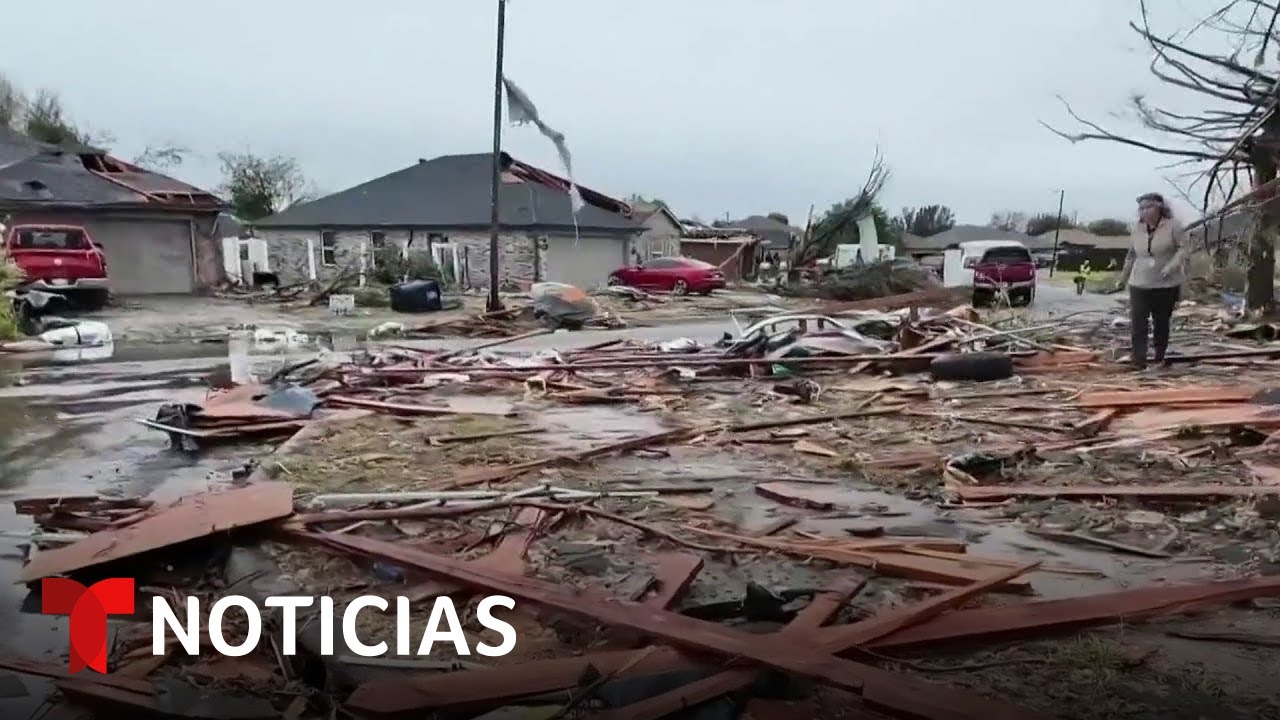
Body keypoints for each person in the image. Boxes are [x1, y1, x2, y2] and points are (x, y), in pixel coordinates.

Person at [1117, 192, 1187, 370]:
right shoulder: (1137, 228)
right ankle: (1138, 359)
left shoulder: (1173, 226)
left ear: (1160, 208)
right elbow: (1131, 255)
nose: (1145, 211)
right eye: (1141, 208)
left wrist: (1171, 266)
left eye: (1149, 207)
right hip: (1139, 282)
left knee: (1161, 322)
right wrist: (1122, 279)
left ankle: (1159, 357)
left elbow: (1184, 249)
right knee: (1138, 322)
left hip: (1165, 283)